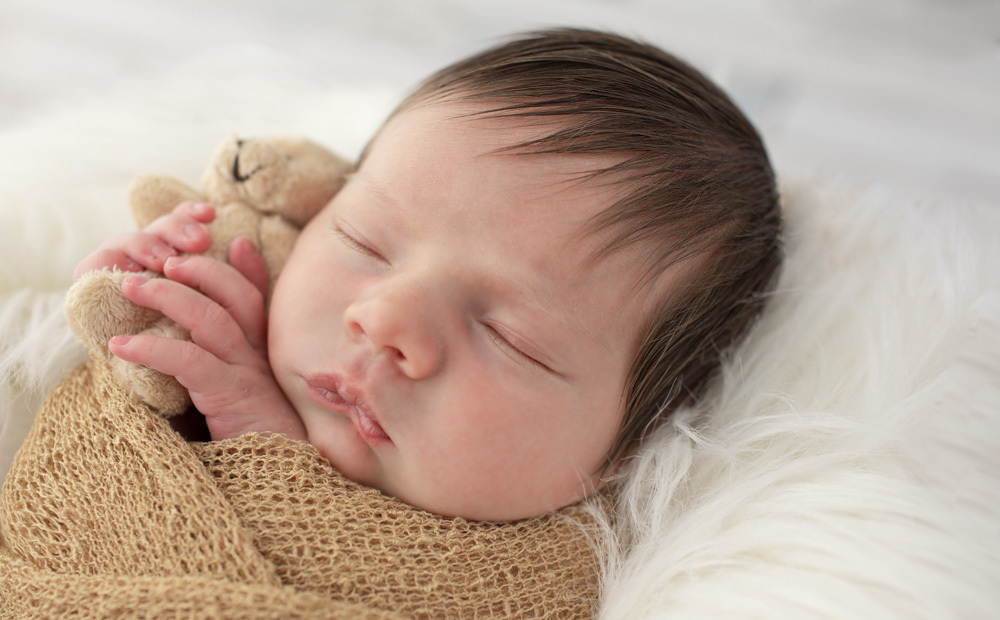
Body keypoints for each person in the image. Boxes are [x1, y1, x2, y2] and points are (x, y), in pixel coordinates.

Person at [74, 27, 782, 523]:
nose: (382, 320)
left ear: (637, 443)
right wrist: (127, 305)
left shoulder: (551, 578)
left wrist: (270, 467)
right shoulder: (237, 324)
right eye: (365, 240)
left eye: (511, 338)